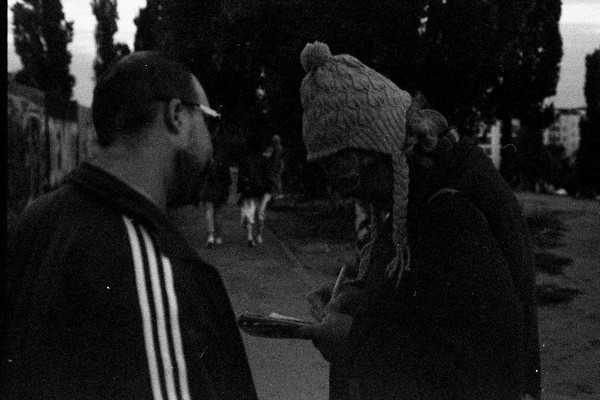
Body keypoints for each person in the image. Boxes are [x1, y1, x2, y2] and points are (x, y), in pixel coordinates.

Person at [4, 51, 258, 400]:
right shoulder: (158, 273)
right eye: (210, 122)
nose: (212, 143)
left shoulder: (34, 220)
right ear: (176, 116)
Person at [297, 41, 540, 400]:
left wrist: (353, 341)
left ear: (387, 152)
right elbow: (429, 309)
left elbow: (479, 371)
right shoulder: (428, 189)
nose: (351, 193)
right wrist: (358, 298)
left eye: (348, 176)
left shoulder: (451, 212)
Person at [198, 114, 233, 249]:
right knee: (219, 211)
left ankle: (211, 236)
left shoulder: (206, 139)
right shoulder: (224, 142)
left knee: (208, 209)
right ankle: (218, 236)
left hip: (209, 180)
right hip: (221, 181)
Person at [236, 143, 273, 247]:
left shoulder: (244, 160)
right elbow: (268, 177)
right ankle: (259, 235)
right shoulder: (265, 160)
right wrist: (269, 191)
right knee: (260, 214)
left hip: (248, 191)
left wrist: (240, 191)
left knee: (249, 213)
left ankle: (250, 236)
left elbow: (241, 177)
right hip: (262, 191)